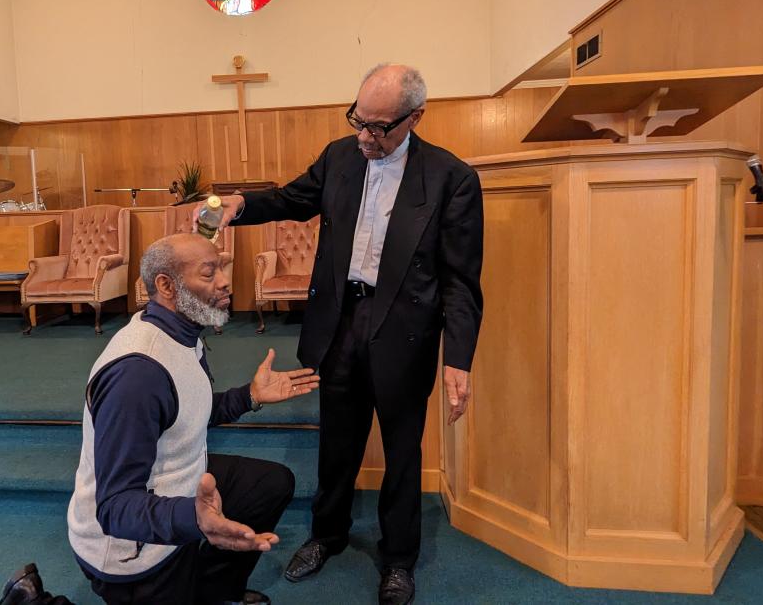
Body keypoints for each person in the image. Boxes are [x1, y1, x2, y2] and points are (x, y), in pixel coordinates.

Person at [195, 64, 484, 605]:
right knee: (337, 442)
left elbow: (461, 282)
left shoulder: (451, 178)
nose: (364, 136)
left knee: (402, 451)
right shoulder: (339, 158)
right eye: (359, 120)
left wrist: (458, 359)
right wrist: (234, 204)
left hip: (406, 332)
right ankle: (326, 535)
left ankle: (399, 559)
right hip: (340, 323)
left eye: (379, 127)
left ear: (415, 117)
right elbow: (288, 200)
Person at [65, 233, 320, 605]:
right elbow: (115, 508)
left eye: (221, 268)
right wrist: (196, 519)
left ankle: (215, 592)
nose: (224, 281)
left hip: (179, 488)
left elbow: (184, 412)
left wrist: (249, 396)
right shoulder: (136, 375)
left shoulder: (181, 332)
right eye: (209, 273)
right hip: (129, 550)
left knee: (269, 483)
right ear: (167, 286)